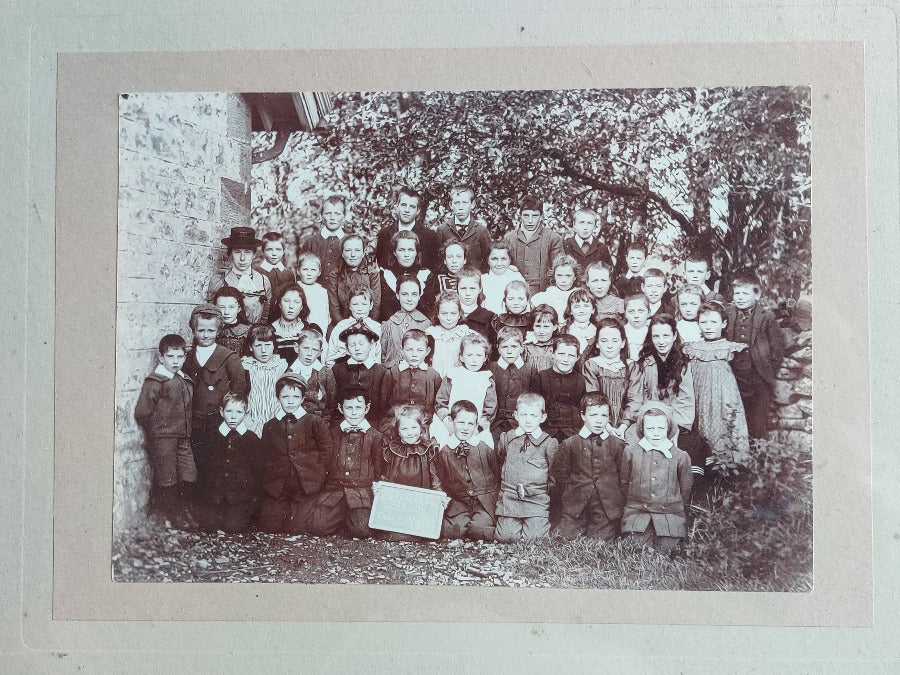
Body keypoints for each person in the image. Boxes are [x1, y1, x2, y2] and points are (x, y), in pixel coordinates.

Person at [623, 314, 705, 484]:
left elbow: (685, 399)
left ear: (674, 336)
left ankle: (681, 489)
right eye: (656, 336)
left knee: (689, 446)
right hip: (648, 417)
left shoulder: (682, 364)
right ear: (650, 337)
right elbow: (641, 396)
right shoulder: (644, 363)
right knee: (631, 442)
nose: (661, 341)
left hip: (675, 420)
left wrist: (672, 426)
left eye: (666, 335)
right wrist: (650, 420)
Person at [182, 304, 247, 511]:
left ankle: (218, 507)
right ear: (193, 330)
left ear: (218, 331)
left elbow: (239, 389)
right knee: (195, 464)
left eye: (211, 330)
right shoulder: (187, 357)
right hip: (194, 422)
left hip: (218, 422)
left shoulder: (229, 357)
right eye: (200, 330)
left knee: (217, 464)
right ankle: (197, 508)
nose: (205, 335)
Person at [258, 372, 334, 534]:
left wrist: (317, 472)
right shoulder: (270, 425)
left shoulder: (314, 422)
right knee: (270, 526)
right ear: (278, 397)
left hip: (306, 485)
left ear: (302, 398)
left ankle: (299, 511)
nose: (290, 401)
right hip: (279, 486)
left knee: (297, 528)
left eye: (295, 396)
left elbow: (326, 450)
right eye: (285, 396)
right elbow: (265, 454)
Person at [134, 334, 195, 526]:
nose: (175, 362)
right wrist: (158, 431)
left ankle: (184, 510)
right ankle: (172, 514)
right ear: (161, 358)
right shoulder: (156, 381)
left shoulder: (183, 379)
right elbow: (142, 412)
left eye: (180, 357)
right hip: (164, 437)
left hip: (183, 436)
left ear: (185, 357)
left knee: (188, 473)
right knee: (167, 475)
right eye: (170, 357)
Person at [683, 301, 751, 473]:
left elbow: (743, 382)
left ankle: (726, 474)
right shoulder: (692, 349)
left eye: (713, 322)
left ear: (724, 323)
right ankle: (701, 474)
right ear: (698, 323)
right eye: (703, 322)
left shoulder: (731, 349)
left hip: (722, 402)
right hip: (698, 400)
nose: (708, 327)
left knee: (723, 434)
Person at [551, 392, 625, 541]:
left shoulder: (617, 445)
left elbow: (622, 477)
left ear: (609, 418)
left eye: (604, 416)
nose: (599, 421)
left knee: (600, 541)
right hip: (576, 505)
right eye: (593, 415)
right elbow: (560, 476)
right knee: (564, 537)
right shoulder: (570, 444)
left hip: (605, 507)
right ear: (583, 416)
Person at [619, 405, 692, 554]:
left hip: (669, 516)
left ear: (669, 428)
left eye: (661, 428)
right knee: (636, 550)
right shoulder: (631, 452)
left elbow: (685, 488)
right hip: (638, 514)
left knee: (667, 551)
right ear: (642, 429)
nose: (656, 433)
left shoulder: (680, 456)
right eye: (650, 429)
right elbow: (624, 482)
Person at [313, 388, 385, 538]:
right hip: (335, 491)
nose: (354, 413)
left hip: (361, 492)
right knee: (318, 527)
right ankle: (342, 517)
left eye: (358, 408)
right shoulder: (332, 433)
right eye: (349, 408)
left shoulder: (376, 436)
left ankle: (353, 518)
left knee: (361, 530)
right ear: (340, 408)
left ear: (367, 408)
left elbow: (378, 469)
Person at [724, 274, 787, 440]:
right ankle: (735, 460)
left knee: (757, 424)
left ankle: (757, 459)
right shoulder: (728, 313)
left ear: (756, 295)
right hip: (734, 378)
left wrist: (768, 371)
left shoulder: (766, 316)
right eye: (737, 294)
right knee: (734, 420)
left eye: (745, 294)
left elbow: (777, 348)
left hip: (758, 379)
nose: (740, 298)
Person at [429, 400, 502, 541]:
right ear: (451, 422)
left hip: (484, 501)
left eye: (471, 424)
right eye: (461, 423)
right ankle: (465, 526)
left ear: (476, 425)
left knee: (478, 529)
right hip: (459, 503)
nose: (465, 428)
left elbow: (497, 474)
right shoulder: (444, 452)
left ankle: (484, 527)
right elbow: (439, 479)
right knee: (451, 530)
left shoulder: (485, 448)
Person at [494, 393, 559, 543]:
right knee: (506, 537)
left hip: (537, 499)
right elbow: (501, 461)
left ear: (542, 417)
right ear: (516, 415)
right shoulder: (507, 438)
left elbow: (554, 477)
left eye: (533, 415)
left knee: (535, 538)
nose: (528, 420)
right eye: (524, 415)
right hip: (510, 498)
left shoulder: (549, 443)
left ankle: (537, 523)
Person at [200, 391, 264, 533]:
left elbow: (257, 470)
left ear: (246, 413)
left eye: (239, 412)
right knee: (209, 525)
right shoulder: (212, 436)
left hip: (239, 498)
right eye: (229, 411)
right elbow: (205, 467)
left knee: (233, 527)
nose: (233, 416)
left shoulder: (251, 439)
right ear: (222, 412)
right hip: (215, 496)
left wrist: (251, 499)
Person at [433, 332, 497, 448]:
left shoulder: (487, 378)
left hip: (475, 427)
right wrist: (449, 424)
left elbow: (490, 409)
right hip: (451, 423)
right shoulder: (453, 374)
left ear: (485, 358)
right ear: (461, 356)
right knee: (442, 442)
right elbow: (441, 402)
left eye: (478, 355)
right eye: (469, 355)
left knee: (483, 446)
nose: (474, 360)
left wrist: (477, 429)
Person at [379, 328, 443, 434]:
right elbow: (383, 404)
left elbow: (436, 405)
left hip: (423, 425)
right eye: (409, 349)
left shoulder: (433, 376)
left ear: (427, 351)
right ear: (402, 350)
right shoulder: (392, 373)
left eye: (420, 350)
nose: (414, 354)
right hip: (395, 423)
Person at [207, 226, 272, 325]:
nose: (242, 258)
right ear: (230, 254)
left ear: (254, 254)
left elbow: (265, 317)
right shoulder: (218, 280)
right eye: (237, 252)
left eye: (247, 252)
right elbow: (212, 315)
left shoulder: (264, 281)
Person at [501, 195, 564, 294]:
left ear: (541, 217)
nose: (530, 220)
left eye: (534, 216)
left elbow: (560, 268)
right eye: (526, 216)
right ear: (520, 215)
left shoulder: (553, 238)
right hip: (515, 292)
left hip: (544, 291)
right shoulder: (509, 238)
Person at [530, 334, 586, 441]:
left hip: (573, 433)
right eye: (561, 354)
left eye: (571, 355)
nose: (565, 359)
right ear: (552, 353)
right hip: (546, 432)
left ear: (577, 358)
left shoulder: (581, 380)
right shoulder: (541, 377)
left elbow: (582, 409)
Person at [330, 322, 387, 425]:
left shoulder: (382, 372)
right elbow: (333, 404)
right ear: (346, 348)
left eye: (361, 344)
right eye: (352, 345)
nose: (357, 348)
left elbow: (383, 407)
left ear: (371, 345)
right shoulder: (337, 370)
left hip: (372, 426)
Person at [375, 186, 439, 272]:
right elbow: (381, 265)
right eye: (403, 205)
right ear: (397, 207)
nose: (407, 210)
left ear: (418, 211)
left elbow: (433, 268)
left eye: (412, 207)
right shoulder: (384, 234)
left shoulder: (429, 236)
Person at [583, 317, 630, 434]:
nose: (609, 346)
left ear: (623, 343)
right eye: (604, 341)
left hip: (627, 422)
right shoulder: (592, 365)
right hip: (598, 421)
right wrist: (607, 426)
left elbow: (635, 399)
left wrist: (624, 426)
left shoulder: (631, 366)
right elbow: (593, 397)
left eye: (615, 341)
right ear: (597, 344)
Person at [489, 326, 537, 441]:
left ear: (521, 348)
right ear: (498, 348)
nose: (509, 351)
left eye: (514, 347)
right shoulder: (491, 368)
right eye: (505, 347)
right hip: (496, 424)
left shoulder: (530, 369)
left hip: (521, 423)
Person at [240, 324, 288, 436]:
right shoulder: (245, 366)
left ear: (273, 346)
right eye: (258, 346)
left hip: (276, 417)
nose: (263, 350)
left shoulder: (282, 366)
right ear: (251, 347)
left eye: (267, 345)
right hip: (252, 418)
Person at [434, 184, 493, 272]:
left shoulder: (481, 231)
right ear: (451, 205)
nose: (460, 207)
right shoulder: (442, 230)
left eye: (465, 203)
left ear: (472, 204)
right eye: (456, 203)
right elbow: (438, 260)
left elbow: (488, 259)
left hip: (473, 281)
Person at [326, 234, 382, 324]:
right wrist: (343, 325)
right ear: (342, 254)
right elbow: (334, 307)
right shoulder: (334, 274)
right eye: (348, 250)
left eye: (357, 250)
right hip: (342, 322)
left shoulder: (372, 271)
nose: (353, 255)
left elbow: (375, 303)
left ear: (363, 253)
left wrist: (369, 324)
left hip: (369, 321)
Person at [380, 230, 436, 319]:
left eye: (411, 250)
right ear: (394, 252)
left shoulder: (426, 276)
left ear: (416, 252)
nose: (406, 255)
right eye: (401, 250)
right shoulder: (385, 276)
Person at [380, 275, 432, 369]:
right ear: (397, 295)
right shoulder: (389, 324)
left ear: (419, 296)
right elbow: (382, 355)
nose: (409, 299)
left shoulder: (426, 324)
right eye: (404, 294)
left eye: (414, 294)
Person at [287, 329, 336, 424]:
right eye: (305, 348)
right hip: (295, 420)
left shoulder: (325, 372)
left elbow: (332, 401)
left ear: (320, 352)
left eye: (314, 350)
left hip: (320, 420)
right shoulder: (290, 372)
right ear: (296, 347)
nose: (309, 354)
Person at [326, 284, 382, 366]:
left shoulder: (377, 328)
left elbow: (378, 356)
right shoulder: (340, 327)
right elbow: (331, 354)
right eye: (355, 304)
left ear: (371, 305)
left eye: (364, 304)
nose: (360, 308)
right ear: (349, 306)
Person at [297, 194, 347, 281]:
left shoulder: (350, 242)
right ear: (321, 216)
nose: (332, 218)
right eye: (328, 213)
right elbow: (301, 271)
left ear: (344, 217)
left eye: (337, 214)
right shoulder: (311, 242)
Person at [270, 283, 321, 366]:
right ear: (279, 304)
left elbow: (316, 365)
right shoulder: (268, 331)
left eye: (296, 302)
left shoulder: (310, 329)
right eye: (286, 301)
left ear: (301, 307)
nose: (291, 306)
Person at [426, 290, 472, 377]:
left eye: (453, 313)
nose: (448, 318)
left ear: (459, 314)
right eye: (444, 313)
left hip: (458, 381)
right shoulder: (431, 334)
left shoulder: (465, 334)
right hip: (436, 380)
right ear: (438, 314)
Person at [256, 231, 296, 318]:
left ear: (283, 251)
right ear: (262, 251)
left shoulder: (289, 273)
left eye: (278, 249)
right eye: (269, 249)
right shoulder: (257, 271)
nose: (274, 254)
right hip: (261, 318)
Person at [481, 241, 527, 315]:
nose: (499, 263)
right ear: (488, 260)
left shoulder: (517, 277)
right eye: (494, 259)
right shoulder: (482, 279)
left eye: (503, 259)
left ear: (510, 260)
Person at [531, 253, 579, 323]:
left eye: (568, 276)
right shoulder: (548, 294)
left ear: (575, 277)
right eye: (559, 275)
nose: (563, 280)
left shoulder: (579, 295)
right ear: (554, 276)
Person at [457, 267, 497, 348]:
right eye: (463, 288)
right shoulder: (450, 315)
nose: (468, 293)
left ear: (480, 289)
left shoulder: (489, 317)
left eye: (472, 288)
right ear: (457, 289)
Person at [563, 207, 613, 271]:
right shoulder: (565, 246)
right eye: (581, 222)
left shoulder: (602, 248)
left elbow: (609, 273)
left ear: (594, 226)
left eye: (589, 223)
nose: (585, 227)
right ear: (574, 224)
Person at [296, 251, 331, 341]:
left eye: (313, 270)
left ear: (319, 272)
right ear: (298, 271)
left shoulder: (323, 291)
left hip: (321, 330)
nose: (309, 273)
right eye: (305, 269)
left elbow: (327, 313)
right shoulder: (295, 288)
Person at [213, 286, 250, 356]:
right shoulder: (208, 329)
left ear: (239, 308)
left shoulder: (248, 331)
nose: (226, 312)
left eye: (231, 307)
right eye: (221, 307)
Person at [561, 287, 598, 356]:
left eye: (586, 306)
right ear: (570, 311)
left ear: (593, 309)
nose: (581, 310)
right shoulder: (564, 331)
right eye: (577, 307)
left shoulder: (598, 332)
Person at [523, 304, 559, 372]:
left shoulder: (558, 346)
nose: (541, 331)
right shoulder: (526, 347)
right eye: (538, 326)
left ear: (554, 327)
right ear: (532, 326)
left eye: (546, 327)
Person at [623, 294, 651, 364]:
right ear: (625, 314)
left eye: (641, 311)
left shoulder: (652, 331)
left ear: (649, 313)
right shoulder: (622, 332)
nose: (636, 316)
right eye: (631, 312)